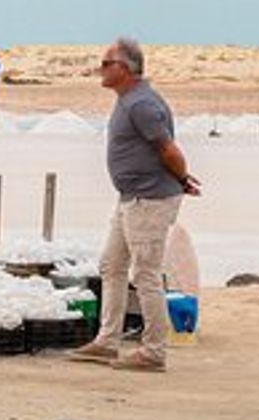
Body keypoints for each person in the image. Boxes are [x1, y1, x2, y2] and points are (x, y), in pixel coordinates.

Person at [68, 37, 202, 372]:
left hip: (150, 199)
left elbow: (168, 149)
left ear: (124, 69)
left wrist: (183, 178)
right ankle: (107, 341)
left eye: (105, 63)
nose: (100, 69)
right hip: (129, 197)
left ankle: (153, 351)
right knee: (111, 266)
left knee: (145, 273)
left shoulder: (142, 104)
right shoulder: (127, 99)